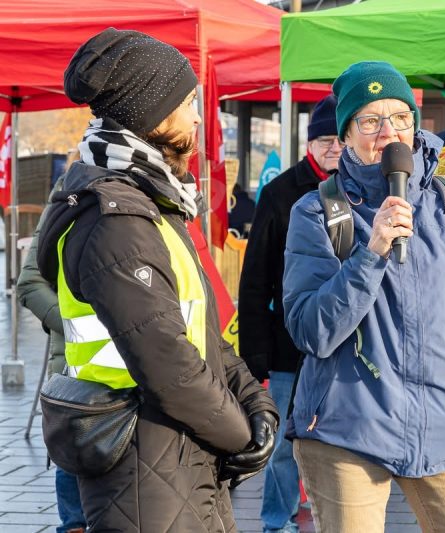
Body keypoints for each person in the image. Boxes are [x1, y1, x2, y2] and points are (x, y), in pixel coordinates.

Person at [36, 28, 279, 532]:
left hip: (180, 453)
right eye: (188, 103)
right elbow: (170, 366)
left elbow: (204, 333)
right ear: (151, 113)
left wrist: (257, 406)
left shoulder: (152, 203)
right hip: (141, 466)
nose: (198, 117)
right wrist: (240, 436)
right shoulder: (116, 220)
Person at [282, 60, 445, 533]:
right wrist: (371, 254)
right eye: (370, 120)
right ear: (346, 135)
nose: (388, 132)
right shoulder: (317, 212)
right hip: (347, 430)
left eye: (400, 117)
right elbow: (311, 330)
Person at [239, 94, 341, 533]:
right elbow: (255, 278)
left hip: (342, 343)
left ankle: (330, 517)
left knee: (338, 443)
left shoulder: (360, 189)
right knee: (281, 443)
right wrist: (254, 351)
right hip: (287, 344)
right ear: (309, 143)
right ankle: (276, 522)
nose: (334, 148)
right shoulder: (280, 192)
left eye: (340, 139)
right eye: (325, 139)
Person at [18, 156, 86, 533]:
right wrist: (78, 325)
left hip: (142, 376)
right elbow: (30, 283)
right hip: (76, 373)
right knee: (75, 515)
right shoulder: (69, 193)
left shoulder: (159, 192)